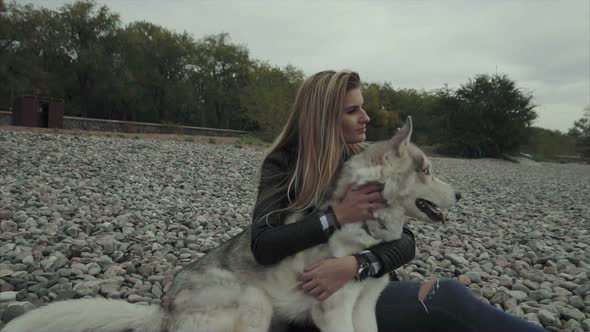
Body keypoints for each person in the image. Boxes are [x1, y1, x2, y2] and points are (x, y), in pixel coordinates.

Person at [250, 70, 547, 332]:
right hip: (309, 307)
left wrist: (358, 264)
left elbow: (405, 240)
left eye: (362, 107)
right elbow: (263, 245)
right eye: (353, 110)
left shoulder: (361, 161)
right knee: (445, 299)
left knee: (446, 304)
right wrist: (335, 216)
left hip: (362, 288)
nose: (366, 117)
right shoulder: (283, 164)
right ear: (324, 117)